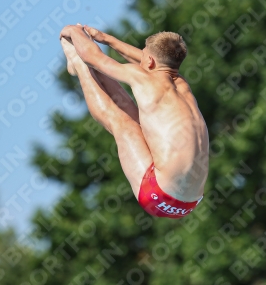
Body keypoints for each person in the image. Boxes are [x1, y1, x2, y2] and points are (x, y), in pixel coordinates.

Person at [59, 24, 209, 218]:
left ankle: (78, 64)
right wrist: (105, 38)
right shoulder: (182, 85)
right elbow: (152, 62)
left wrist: (72, 31)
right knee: (134, 117)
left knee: (124, 125)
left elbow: (94, 57)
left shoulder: (144, 78)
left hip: (159, 197)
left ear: (150, 61)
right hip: (188, 203)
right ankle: (83, 64)